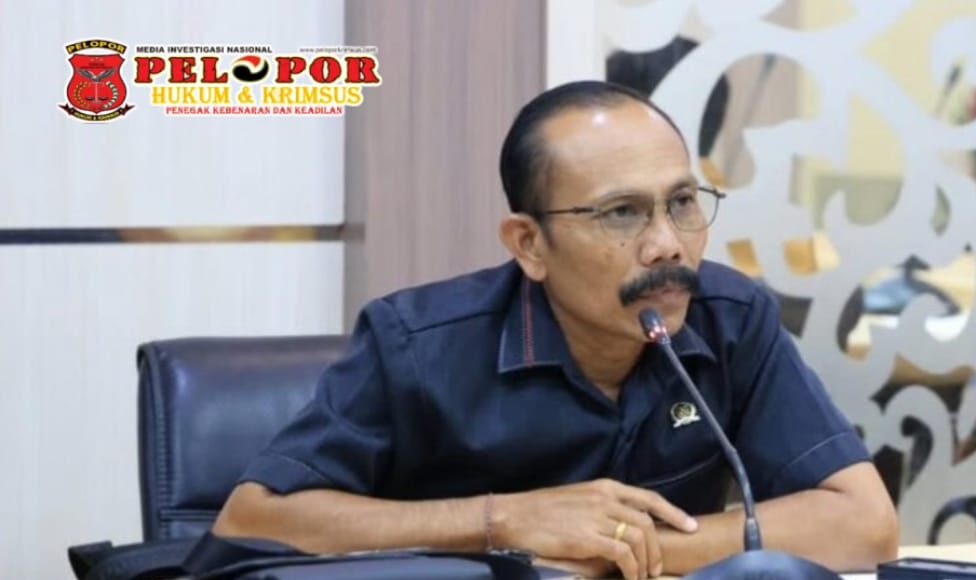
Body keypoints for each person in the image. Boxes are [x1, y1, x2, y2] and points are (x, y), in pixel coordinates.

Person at [213, 80, 898, 579]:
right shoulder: (417, 343)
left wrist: (622, 548)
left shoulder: (730, 318)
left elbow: (863, 523)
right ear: (529, 244)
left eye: (683, 203)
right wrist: (503, 522)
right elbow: (252, 520)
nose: (667, 244)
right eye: (622, 213)